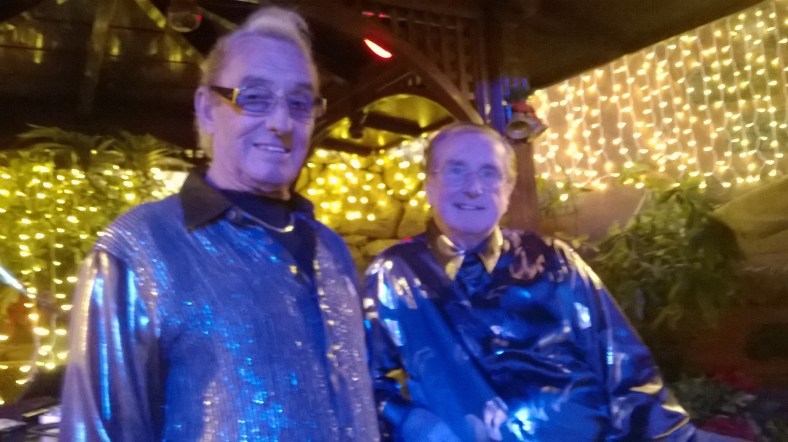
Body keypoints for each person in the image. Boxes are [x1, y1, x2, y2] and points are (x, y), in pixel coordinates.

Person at [60, 6, 378, 441]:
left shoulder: (332, 249)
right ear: (207, 108)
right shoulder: (139, 249)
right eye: (254, 97)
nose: (281, 122)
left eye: (299, 102)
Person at [363, 122, 704, 441]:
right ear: (429, 184)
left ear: (508, 190)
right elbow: (362, 382)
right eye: (456, 170)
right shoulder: (395, 273)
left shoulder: (552, 258)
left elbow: (621, 358)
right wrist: (411, 421)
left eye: (489, 173)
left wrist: (668, 436)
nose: (473, 188)